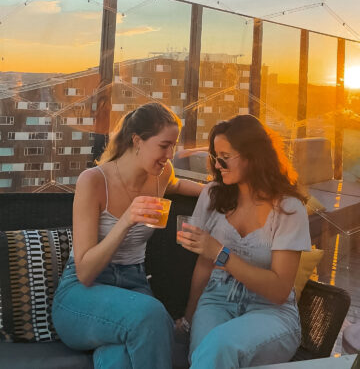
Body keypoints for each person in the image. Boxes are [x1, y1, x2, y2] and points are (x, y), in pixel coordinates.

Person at [52, 102, 203, 369]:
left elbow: (176, 184)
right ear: (137, 141)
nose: (170, 154)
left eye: (173, 146)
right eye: (164, 145)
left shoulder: (161, 175)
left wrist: (212, 189)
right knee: (154, 315)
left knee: (119, 359)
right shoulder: (93, 181)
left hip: (133, 285)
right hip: (84, 293)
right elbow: (85, 272)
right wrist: (126, 221)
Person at [176, 114, 311, 368]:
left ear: (252, 156)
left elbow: (280, 290)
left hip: (270, 311)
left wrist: (220, 253)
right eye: (215, 157)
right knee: (204, 353)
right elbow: (204, 266)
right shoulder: (213, 196)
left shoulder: (288, 209)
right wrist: (189, 318)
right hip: (216, 299)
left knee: (218, 347)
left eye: (224, 157)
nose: (217, 165)